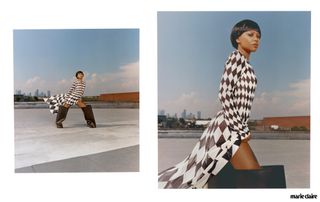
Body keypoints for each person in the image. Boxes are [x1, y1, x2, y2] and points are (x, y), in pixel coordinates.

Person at [158, 19, 261, 188]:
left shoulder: (247, 66)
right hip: (229, 128)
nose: (255, 39)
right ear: (237, 38)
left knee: (218, 178)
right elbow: (224, 94)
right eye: (250, 35)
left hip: (234, 127)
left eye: (258, 36)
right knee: (253, 175)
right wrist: (241, 130)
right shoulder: (235, 59)